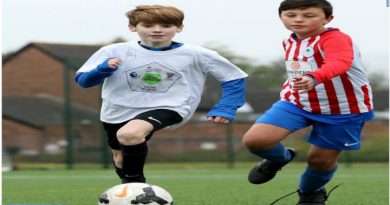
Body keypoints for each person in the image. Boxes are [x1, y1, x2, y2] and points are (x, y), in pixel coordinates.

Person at [75, 5, 248, 184]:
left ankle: (137, 190)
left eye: (166, 26)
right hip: (116, 109)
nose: (157, 30)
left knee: (129, 134)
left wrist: (226, 106)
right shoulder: (113, 51)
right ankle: (129, 190)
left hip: (170, 106)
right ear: (133, 27)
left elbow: (234, 77)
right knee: (120, 159)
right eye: (148, 26)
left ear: (179, 28)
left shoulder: (198, 54)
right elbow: (83, 81)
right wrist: (102, 70)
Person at [241, 0, 374, 204]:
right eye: (291, 15)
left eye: (308, 15)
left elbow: (339, 62)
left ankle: (311, 194)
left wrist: (314, 77)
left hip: (343, 109)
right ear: (281, 17)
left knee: (319, 161)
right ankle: (281, 158)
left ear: (327, 19)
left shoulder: (336, 39)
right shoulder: (289, 41)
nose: (298, 20)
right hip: (297, 103)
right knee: (255, 141)